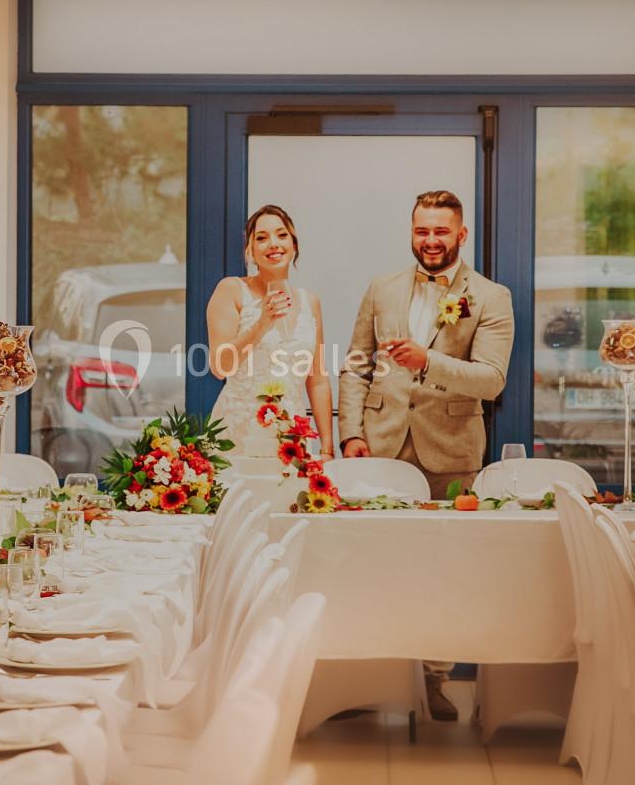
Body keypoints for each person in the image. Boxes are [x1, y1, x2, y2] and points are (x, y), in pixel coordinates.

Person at [338, 189, 514, 720]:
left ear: (461, 235)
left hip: (452, 453)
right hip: (381, 447)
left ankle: (435, 678)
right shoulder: (382, 288)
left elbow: (491, 379)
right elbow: (355, 364)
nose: (430, 240)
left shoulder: (490, 296)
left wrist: (428, 359)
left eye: (441, 231)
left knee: (445, 571)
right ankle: (369, 678)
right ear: (411, 231)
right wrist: (350, 433)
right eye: (422, 230)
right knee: (370, 567)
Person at [206, 204, 334, 459]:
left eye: (282, 235)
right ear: (251, 252)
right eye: (262, 238)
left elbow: (317, 379)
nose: (273, 243)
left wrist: (327, 449)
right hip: (238, 433)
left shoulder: (311, 301)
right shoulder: (231, 289)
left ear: (294, 245)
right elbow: (220, 367)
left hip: (291, 435)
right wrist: (261, 325)